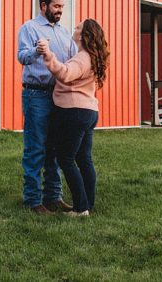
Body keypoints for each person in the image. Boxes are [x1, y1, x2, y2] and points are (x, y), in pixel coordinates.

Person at [16, 0, 77, 215]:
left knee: (55, 148)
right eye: (56, 6)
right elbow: (22, 56)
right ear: (43, 6)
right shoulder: (29, 28)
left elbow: (73, 60)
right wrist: (36, 51)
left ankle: (53, 196)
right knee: (36, 149)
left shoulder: (64, 32)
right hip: (36, 95)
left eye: (62, 6)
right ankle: (33, 200)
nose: (60, 10)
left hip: (58, 95)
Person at [43, 18, 109, 217]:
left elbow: (65, 74)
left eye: (78, 27)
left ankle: (80, 208)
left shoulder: (82, 58)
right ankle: (87, 204)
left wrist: (48, 54)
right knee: (83, 158)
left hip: (75, 112)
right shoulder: (92, 57)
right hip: (89, 112)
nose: (75, 28)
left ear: (84, 35)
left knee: (66, 159)